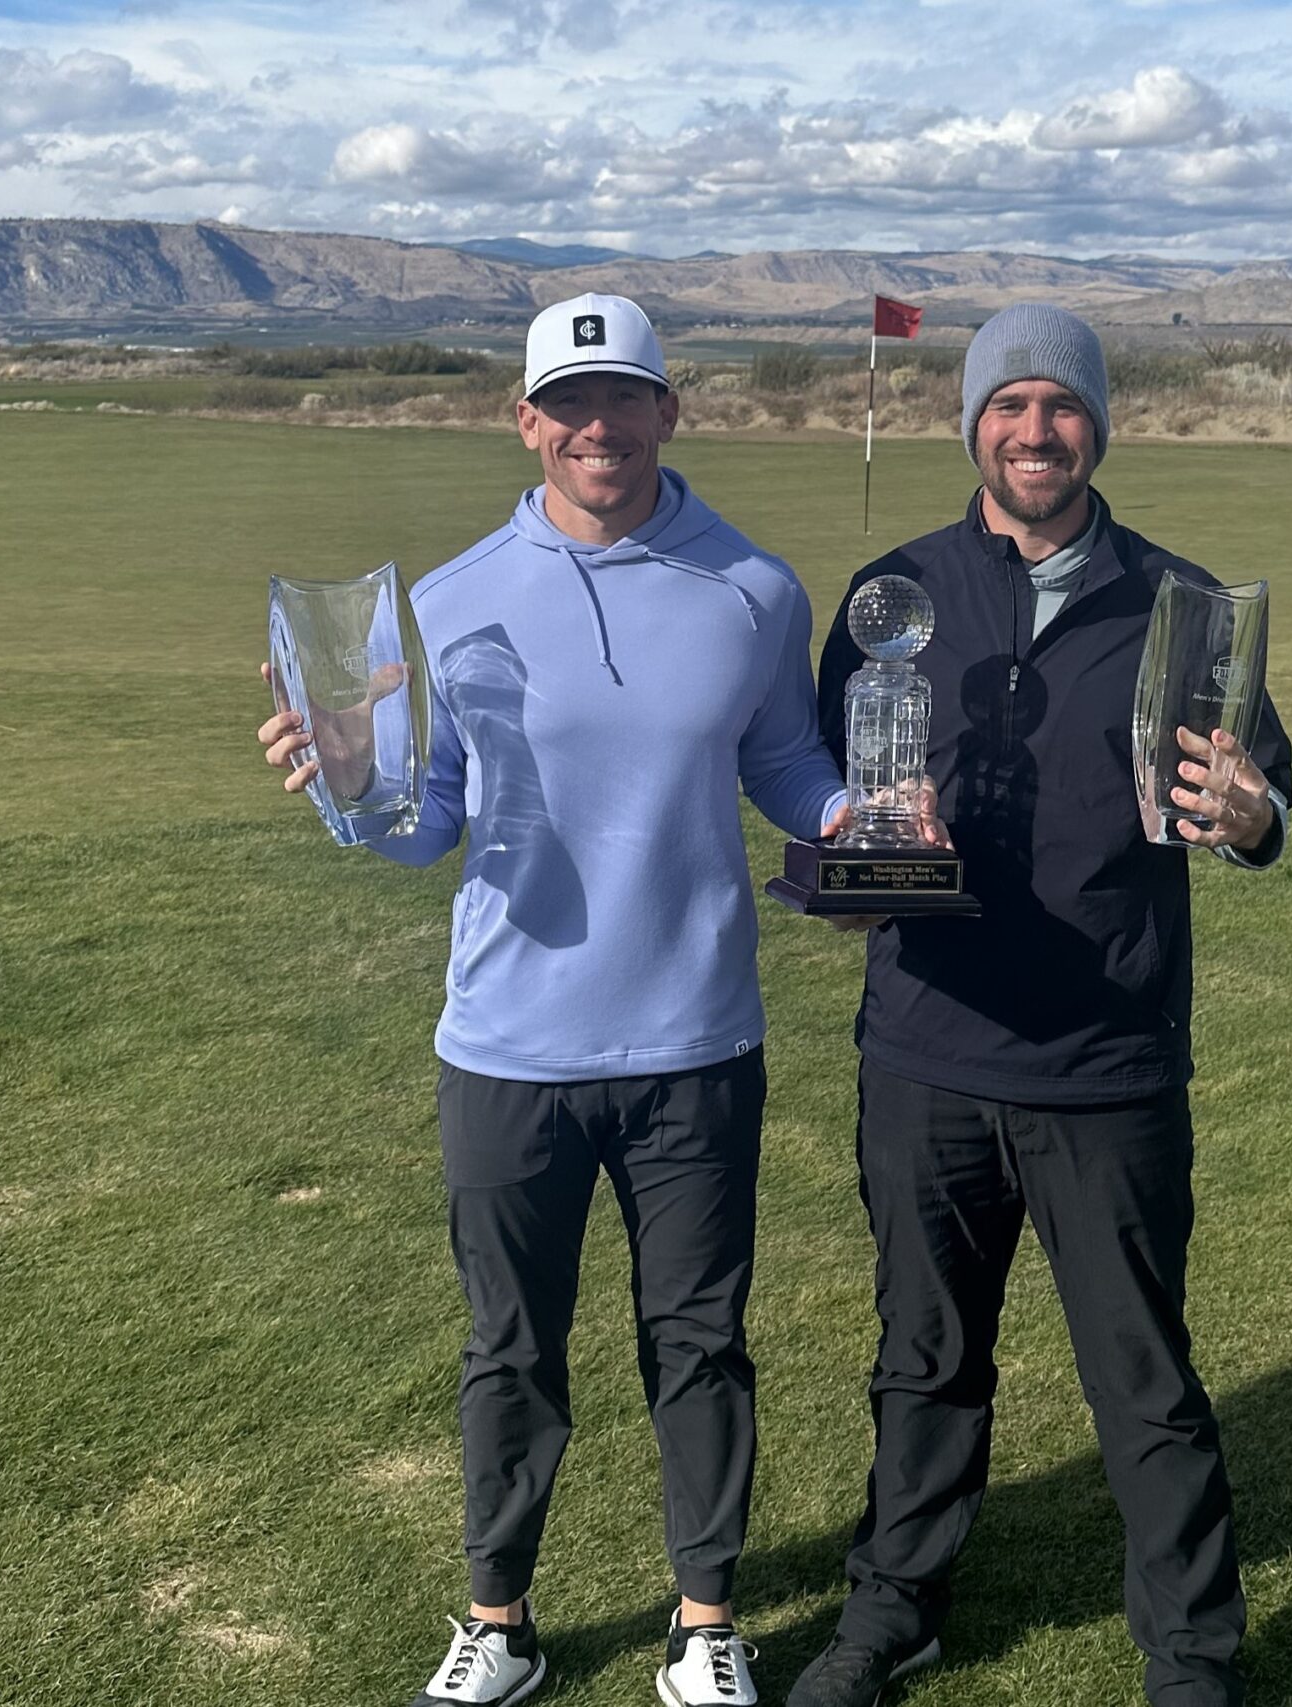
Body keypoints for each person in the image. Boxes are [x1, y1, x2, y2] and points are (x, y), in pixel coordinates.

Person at [259, 293, 848, 1707]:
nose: (598, 427)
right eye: (567, 404)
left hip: (698, 1037)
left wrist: (864, 819)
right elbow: (424, 821)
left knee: (700, 1343)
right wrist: (350, 776)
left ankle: (706, 1625)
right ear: (525, 421)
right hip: (509, 1044)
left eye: (623, 397)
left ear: (668, 409)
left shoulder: (754, 590)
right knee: (509, 1348)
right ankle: (499, 1622)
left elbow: (784, 762)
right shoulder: (453, 597)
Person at [787, 303, 1292, 1707]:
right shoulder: (894, 593)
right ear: (969, 425)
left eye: (1059, 405)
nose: (1033, 430)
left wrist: (1253, 817)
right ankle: (893, 1613)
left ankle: (1191, 1659)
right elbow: (831, 814)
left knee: (1144, 1383)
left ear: (1098, 427)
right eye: (1005, 405)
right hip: (927, 1055)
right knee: (923, 1361)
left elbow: (1259, 803)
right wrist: (871, 860)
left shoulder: (1180, 604)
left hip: (1108, 1063)